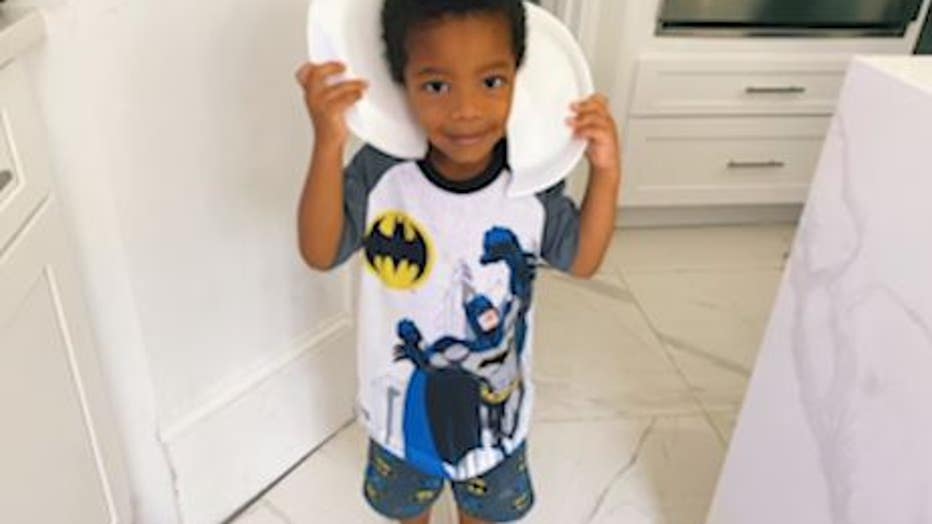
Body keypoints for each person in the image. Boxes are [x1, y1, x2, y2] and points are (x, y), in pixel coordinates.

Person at [295, 1, 620, 522]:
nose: (466, 110)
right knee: (408, 514)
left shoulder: (531, 179)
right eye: (436, 85)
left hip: (496, 425)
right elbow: (319, 250)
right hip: (400, 422)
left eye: (491, 82)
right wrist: (328, 144)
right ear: (401, 83)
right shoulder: (382, 173)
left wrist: (606, 172)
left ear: (518, 75)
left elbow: (582, 260)